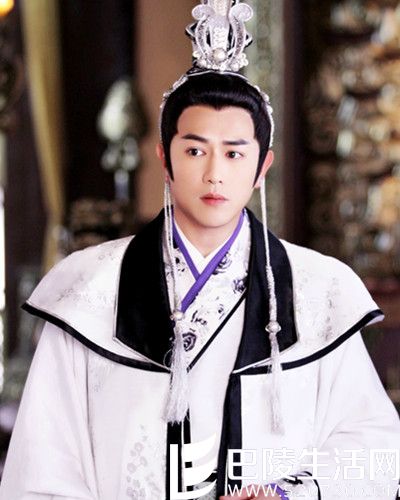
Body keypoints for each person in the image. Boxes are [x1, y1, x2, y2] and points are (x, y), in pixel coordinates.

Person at [1, 2, 400, 499]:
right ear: (164, 158)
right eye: (194, 150)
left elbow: (375, 450)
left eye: (234, 153)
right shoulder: (87, 289)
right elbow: (42, 468)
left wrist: (287, 494)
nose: (214, 174)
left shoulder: (320, 290)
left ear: (262, 167)